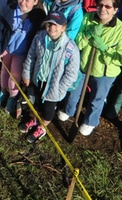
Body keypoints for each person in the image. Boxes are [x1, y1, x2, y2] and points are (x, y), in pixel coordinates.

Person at [59, 0, 122, 136]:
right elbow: (75, 43)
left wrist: (104, 48)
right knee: (73, 90)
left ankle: (90, 121)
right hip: (83, 65)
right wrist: (87, 35)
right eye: (100, 5)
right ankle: (69, 110)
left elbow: (120, 60)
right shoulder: (87, 18)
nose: (103, 9)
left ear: (115, 10)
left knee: (97, 98)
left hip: (105, 71)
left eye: (108, 6)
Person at [20, 13, 80, 143]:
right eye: (49, 23)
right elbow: (31, 56)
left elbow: (71, 73)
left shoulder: (71, 48)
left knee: (48, 110)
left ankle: (42, 127)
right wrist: (26, 74)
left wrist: (60, 89)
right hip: (38, 80)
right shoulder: (39, 37)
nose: (52, 27)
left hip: (54, 88)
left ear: (63, 27)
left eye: (56, 24)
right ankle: (34, 118)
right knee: (34, 103)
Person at [0, 0, 45, 117]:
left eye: (27, 0)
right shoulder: (9, 11)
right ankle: (3, 92)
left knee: (15, 76)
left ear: (35, 2)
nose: (22, 2)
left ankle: (12, 98)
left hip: (22, 53)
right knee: (4, 70)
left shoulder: (38, 18)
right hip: (6, 49)